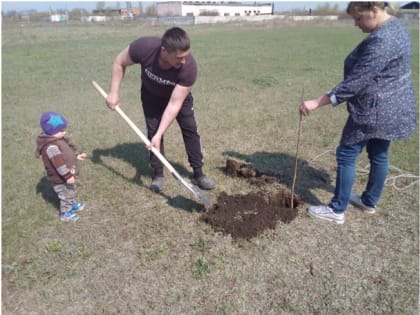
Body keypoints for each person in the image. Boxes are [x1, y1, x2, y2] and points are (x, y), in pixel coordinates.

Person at [299, 2, 417, 224]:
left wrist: (317, 102)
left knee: (346, 154)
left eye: (359, 18)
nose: (356, 24)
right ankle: (369, 201)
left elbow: (355, 83)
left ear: (374, 10)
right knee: (378, 154)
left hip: (375, 110)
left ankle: (336, 210)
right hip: (394, 106)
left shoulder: (383, 40)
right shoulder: (397, 27)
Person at [106, 27, 215, 192]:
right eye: (179, 57)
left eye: (186, 56)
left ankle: (198, 173)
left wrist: (160, 132)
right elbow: (119, 62)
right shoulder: (144, 47)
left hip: (178, 98)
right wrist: (114, 92)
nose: (184, 61)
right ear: (164, 51)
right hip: (151, 96)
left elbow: (174, 105)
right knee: (153, 132)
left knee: (190, 129)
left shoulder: (189, 68)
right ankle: (158, 174)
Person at [36, 112, 88, 222]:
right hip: (60, 178)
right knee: (65, 195)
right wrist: (68, 176)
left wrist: (77, 155)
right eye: (61, 130)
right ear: (51, 132)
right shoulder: (51, 147)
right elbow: (58, 164)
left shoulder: (57, 139)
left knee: (70, 191)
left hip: (66, 176)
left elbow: (67, 152)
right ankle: (65, 213)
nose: (65, 132)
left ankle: (71, 204)